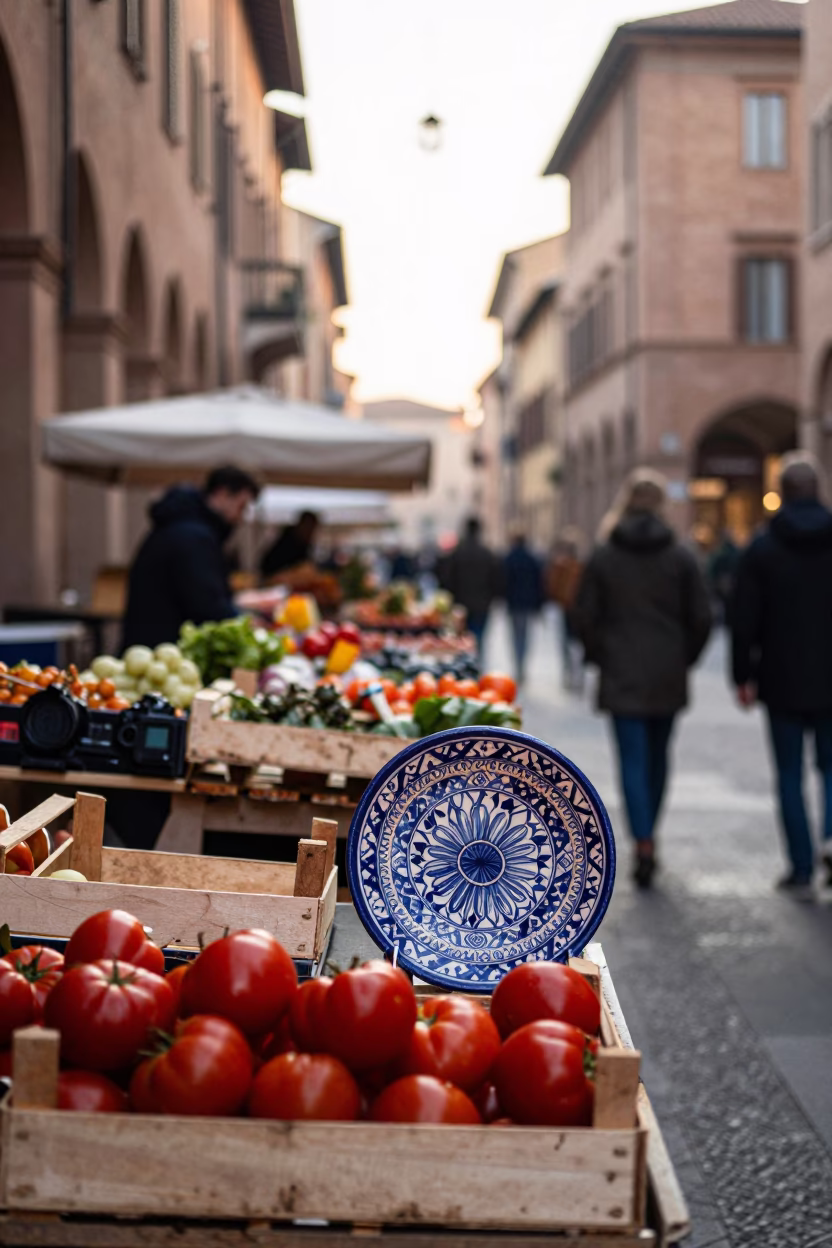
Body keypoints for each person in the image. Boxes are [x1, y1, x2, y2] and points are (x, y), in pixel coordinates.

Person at [573, 469, 712, 888]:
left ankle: (644, 840)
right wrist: (684, 657)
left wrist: (601, 654)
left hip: (621, 670)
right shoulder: (681, 556)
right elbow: (702, 617)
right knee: (658, 757)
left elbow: (583, 615)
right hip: (667, 671)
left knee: (632, 760)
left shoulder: (604, 555)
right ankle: (652, 833)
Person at [731, 453, 832, 894]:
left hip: (781, 677)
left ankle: (801, 866)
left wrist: (742, 675)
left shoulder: (763, 548)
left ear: (783, 493)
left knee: (789, 774)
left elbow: (743, 617)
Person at [123, 466, 259, 650]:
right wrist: (243, 621)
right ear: (222, 494)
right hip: (164, 650)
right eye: (241, 506)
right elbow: (207, 605)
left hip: (151, 646)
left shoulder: (181, 525)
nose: (240, 517)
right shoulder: (194, 537)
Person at [438, 517, 502, 659]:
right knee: (479, 638)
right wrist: (492, 598)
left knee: (462, 639)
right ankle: (477, 664)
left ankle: (466, 666)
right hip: (482, 603)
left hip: (461, 603)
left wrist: (451, 598)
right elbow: (496, 580)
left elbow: (447, 578)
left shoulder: (457, 553)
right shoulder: (487, 554)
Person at [546, 529, 586, 692]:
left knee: (565, 643)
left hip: (565, 608)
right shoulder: (582, 567)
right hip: (577, 609)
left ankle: (569, 674)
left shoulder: (559, 566)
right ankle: (577, 675)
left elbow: (552, 587)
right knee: (576, 644)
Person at [503, 532, 543, 684]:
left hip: (514, 603)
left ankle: (518, 664)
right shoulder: (532, 559)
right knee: (525, 635)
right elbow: (539, 583)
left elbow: (504, 581)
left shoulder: (509, 558)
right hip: (527, 603)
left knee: (515, 635)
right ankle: (522, 665)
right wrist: (539, 604)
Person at [259, 510, 319, 581]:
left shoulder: (304, 544)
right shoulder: (287, 544)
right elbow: (269, 569)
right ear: (302, 525)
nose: (311, 533)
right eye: (310, 528)